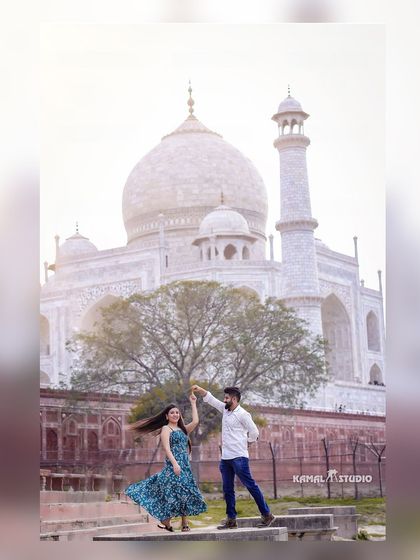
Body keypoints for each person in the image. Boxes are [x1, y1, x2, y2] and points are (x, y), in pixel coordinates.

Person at [191, 384, 275, 529]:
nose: (224, 400)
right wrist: (200, 390)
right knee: (228, 489)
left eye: (226, 398)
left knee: (250, 485)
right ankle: (231, 519)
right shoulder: (225, 410)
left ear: (234, 399)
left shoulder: (243, 414)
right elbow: (211, 399)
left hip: (239, 458)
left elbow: (254, 432)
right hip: (226, 458)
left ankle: (267, 515)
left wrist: (247, 443)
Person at [124, 393, 207, 532]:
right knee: (176, 491)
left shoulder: (182, 430)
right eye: (172, 413)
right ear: (167, 416)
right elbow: (167, 449)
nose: (175, 414)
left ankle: (180, 523)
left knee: (184, 491)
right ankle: (168, 522)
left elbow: (196, 421)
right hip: (173, 465)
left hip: (185, 466)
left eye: (177, 413)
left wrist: (193, 403)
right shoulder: (166, 429)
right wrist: (175, 463)